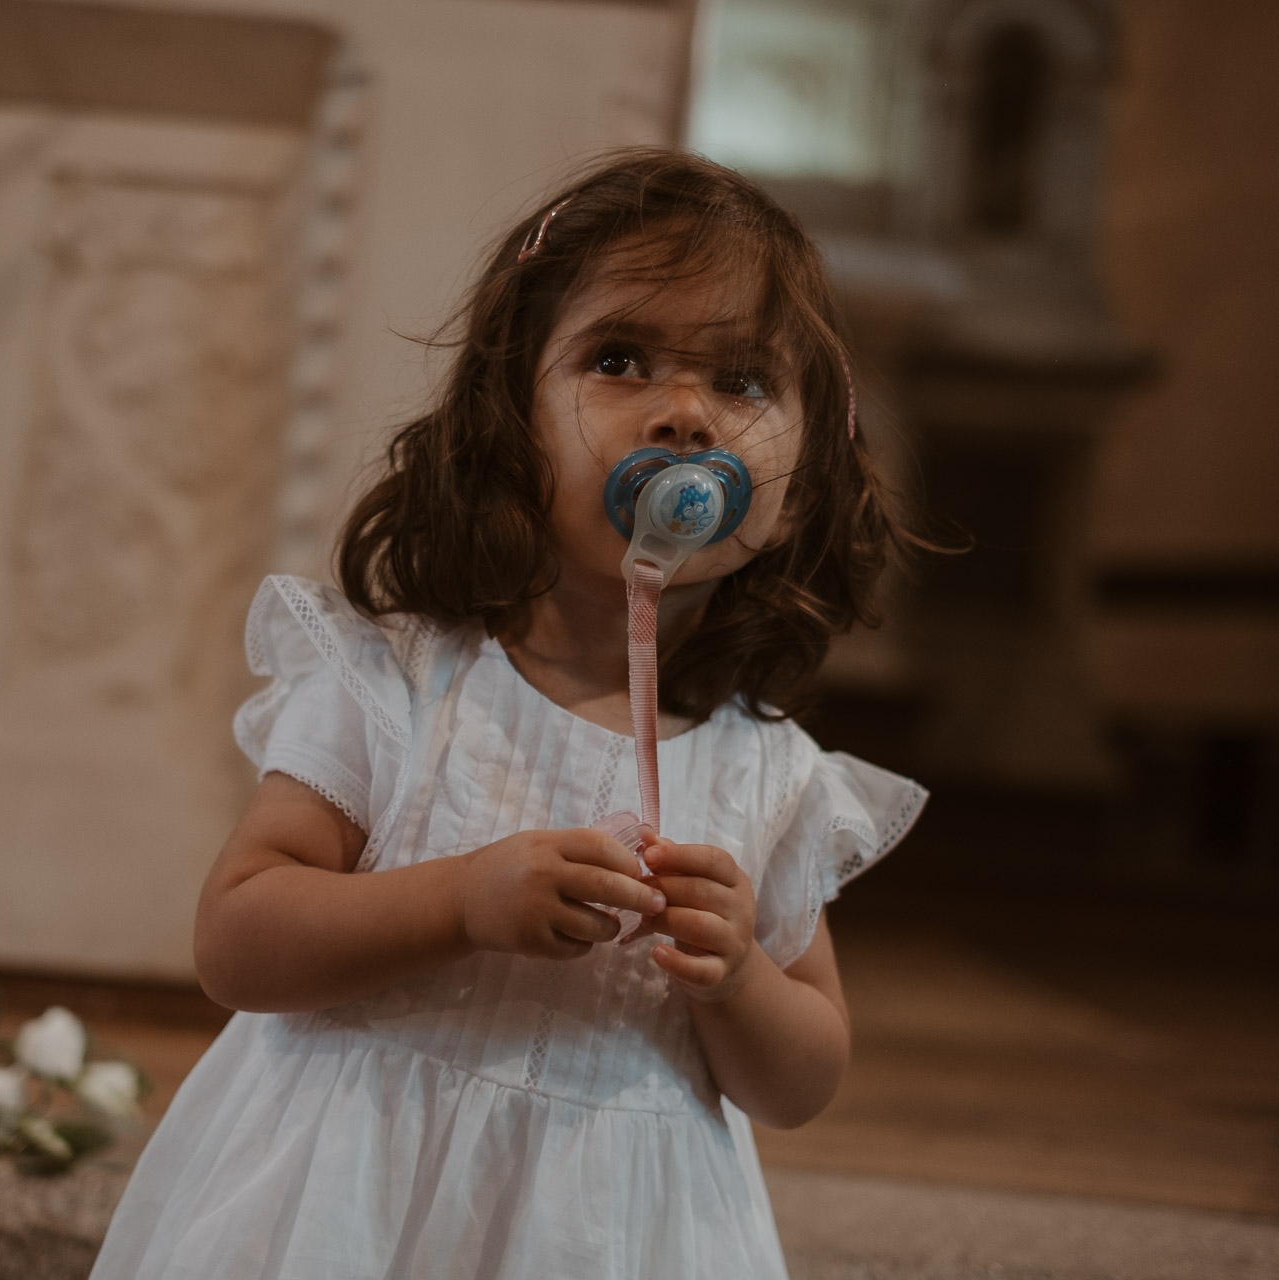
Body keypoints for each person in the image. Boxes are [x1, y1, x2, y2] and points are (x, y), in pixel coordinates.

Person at [90, 148, 929, 1280]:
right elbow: (236, 940)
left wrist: (738, 979)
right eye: (619, 358)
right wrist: (458, 897)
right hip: (350, 1206)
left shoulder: (766, 777)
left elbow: (801, 1079)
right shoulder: (394, 688)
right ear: (506, 430)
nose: (682, 413)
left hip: (612, 1233)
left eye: (740, 381)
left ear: (797, 496)